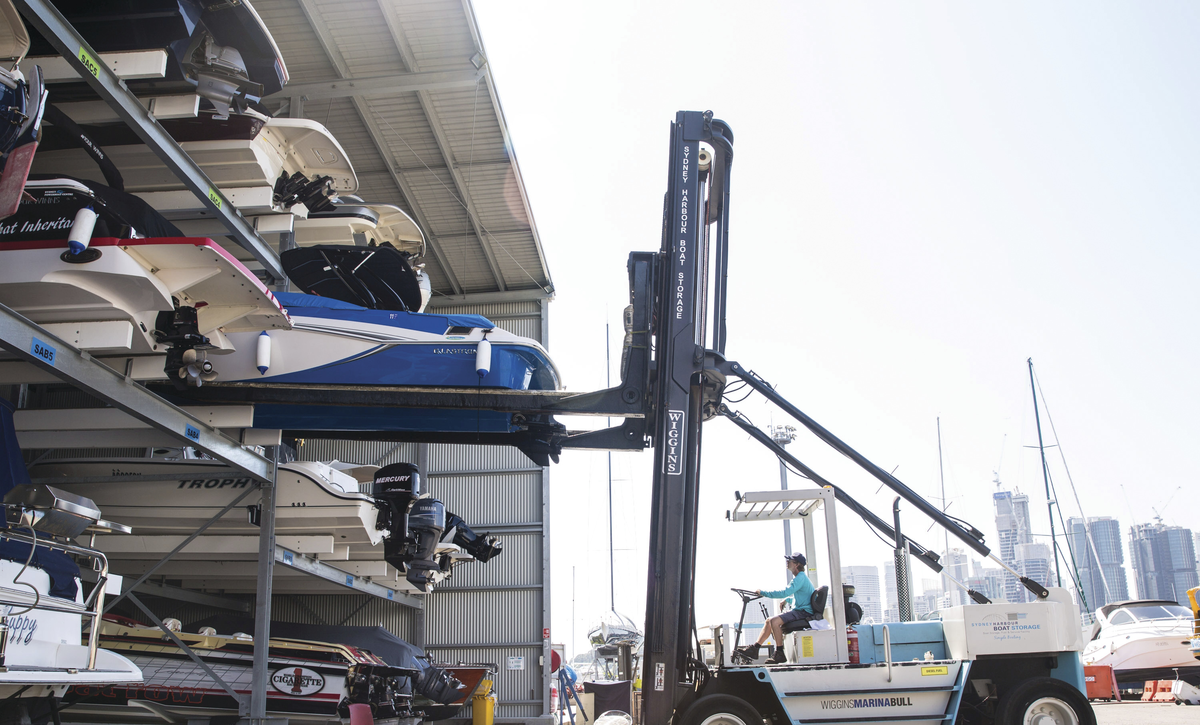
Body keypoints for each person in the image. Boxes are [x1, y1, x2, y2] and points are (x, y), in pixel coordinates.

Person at [736, 552, 817, 664]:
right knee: (769, 621)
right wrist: (787, 600)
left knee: (774, 621)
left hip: (804, 613)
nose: (787, 562)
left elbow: (784, 592)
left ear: (797, 564)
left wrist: (763, 593)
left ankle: (780, 653)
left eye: (790, 560)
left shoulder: (800, 578)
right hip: (801, 610)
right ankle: (755, 649)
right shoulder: (801, 578)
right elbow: (801, 598)